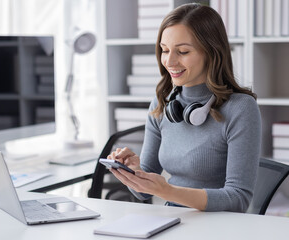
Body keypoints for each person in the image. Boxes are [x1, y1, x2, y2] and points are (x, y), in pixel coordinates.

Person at [108, 3, 261, 212]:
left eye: (182, 51)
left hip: (222, 226)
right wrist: (133, 172)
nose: (169, 61)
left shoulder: (241, 109)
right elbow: (143, 193)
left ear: (211, 52)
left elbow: (238, 199)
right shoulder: (162, 104)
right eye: (164, 50)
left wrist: (167, 191)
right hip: (174, 220)